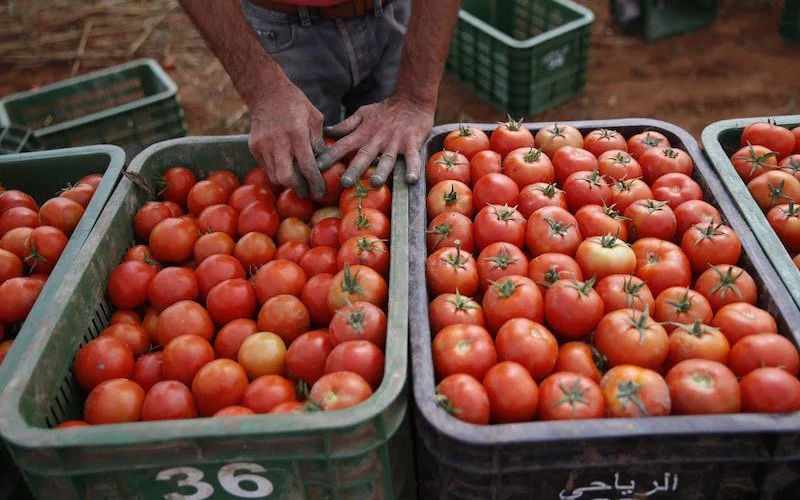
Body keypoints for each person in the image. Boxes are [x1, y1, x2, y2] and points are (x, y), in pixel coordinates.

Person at [180, 0, 461, 200]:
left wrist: (414, 97)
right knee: (300, 184)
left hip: (394, 11)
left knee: (391, 172)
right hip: (277, 24)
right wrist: (262, 87)